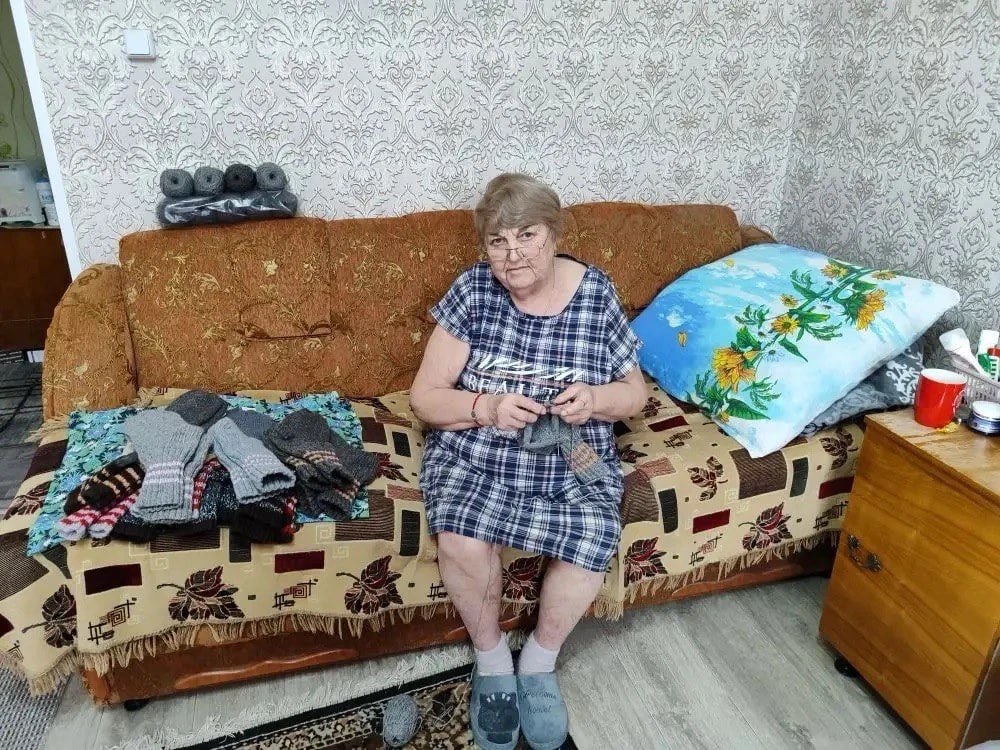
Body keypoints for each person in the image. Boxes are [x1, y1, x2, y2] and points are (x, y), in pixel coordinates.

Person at [410, 173, 646, 750]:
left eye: (527, 235)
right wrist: (486, 406)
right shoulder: (473, 291)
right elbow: (425, 398)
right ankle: (492, 660)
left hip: (571, 447)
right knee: (460, 534)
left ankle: (539, 661)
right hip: (480, 444)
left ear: (554, 233)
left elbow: (634, 396)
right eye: (498, 241)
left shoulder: (595, 292)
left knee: (595, 530)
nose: (512, 254)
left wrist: (595, 400)